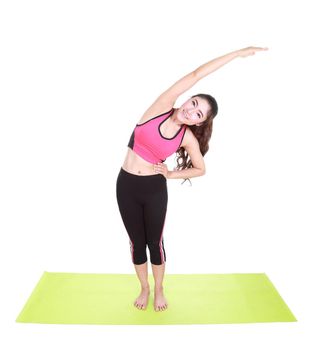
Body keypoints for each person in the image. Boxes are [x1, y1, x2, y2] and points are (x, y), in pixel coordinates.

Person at [115, 46, 268, 312]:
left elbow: (200, 168)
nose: (192, 111)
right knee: (136, 243)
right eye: (194, 103)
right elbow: (197, 73)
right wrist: (236, 54)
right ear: (187, 99)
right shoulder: (161, 106)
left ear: (199, 123)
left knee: (155, 243)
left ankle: (160, 289)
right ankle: (145, 288)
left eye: (199, 114)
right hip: (126, 185)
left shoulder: (186, 137)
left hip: (153, 189)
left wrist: (172, 174)